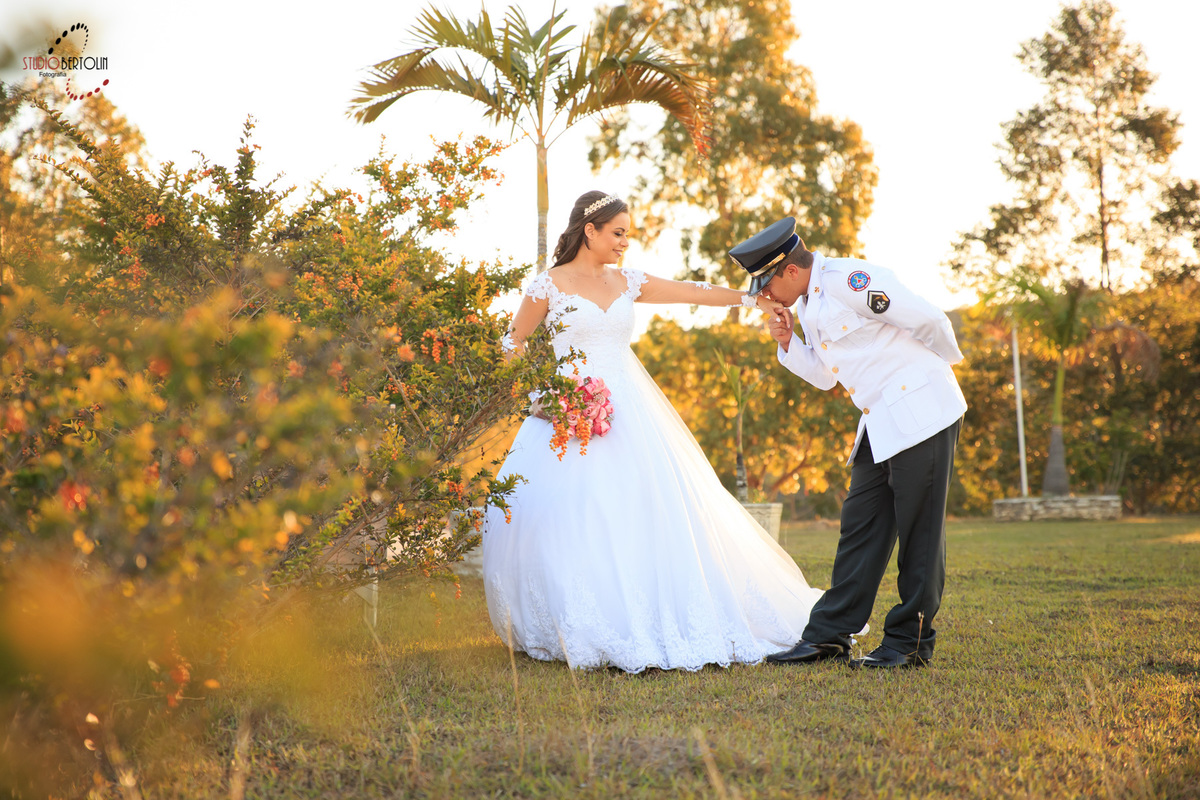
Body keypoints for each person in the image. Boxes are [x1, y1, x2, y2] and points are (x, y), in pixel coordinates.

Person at [483, 191, 829, 673]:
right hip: (566, 413)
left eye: (627, 233)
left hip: (628, 410)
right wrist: (543, 399)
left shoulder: (629, 282)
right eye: (618, 233)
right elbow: (512, 343)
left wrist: (751, 298)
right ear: (591, 231)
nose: (625, 242)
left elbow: (694, 291)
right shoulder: (549, 285)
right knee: (572, 516)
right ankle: (577, 617)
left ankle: (652, 612)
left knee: (647, 510)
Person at [730, 216, 966, 669]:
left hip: (921, 412)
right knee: (860, 527)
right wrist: (788, 341)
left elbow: (927, 318)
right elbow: (823, 377)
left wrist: (931, 375)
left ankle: (908, 644)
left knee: (919, 534)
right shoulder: (808, 304)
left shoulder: (848, 280)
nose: (764, 295)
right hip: (879, 422)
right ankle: (829, 636)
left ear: (790, 271)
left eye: (765, 284)